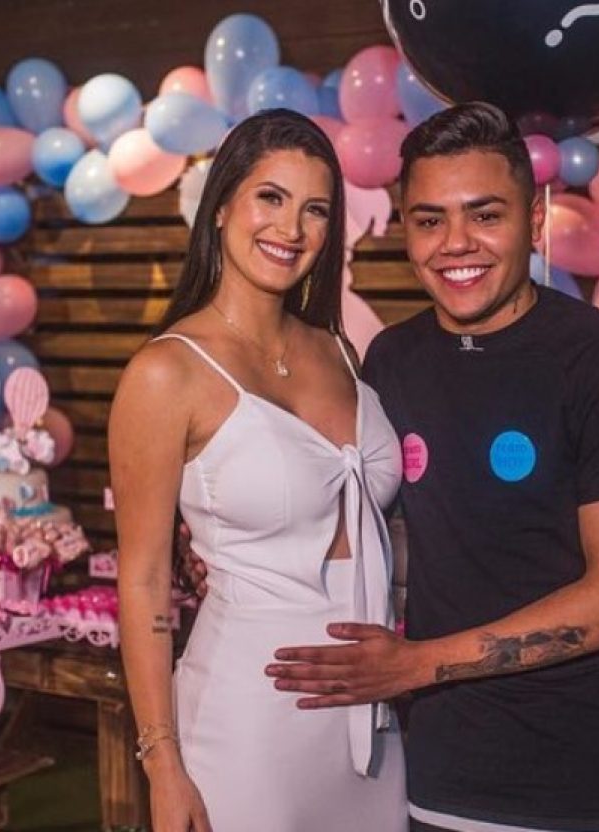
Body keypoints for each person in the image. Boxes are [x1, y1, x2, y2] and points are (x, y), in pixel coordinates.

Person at [263, 102, 599, 832]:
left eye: (485, 215)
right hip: (440, 775)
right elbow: (376, 534)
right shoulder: (393, 359)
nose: (456, 243)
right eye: (430, 220)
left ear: (535, 219)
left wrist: (414, 664)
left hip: (589, 784)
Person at [109, 109, 407, 832]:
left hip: (371, 715)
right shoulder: (166, 373)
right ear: (220, 208)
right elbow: (143, 579)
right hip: (247, 721)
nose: (291, 229)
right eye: (270, 197)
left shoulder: (338, 351)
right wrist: (162, 763)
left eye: (315, 209)